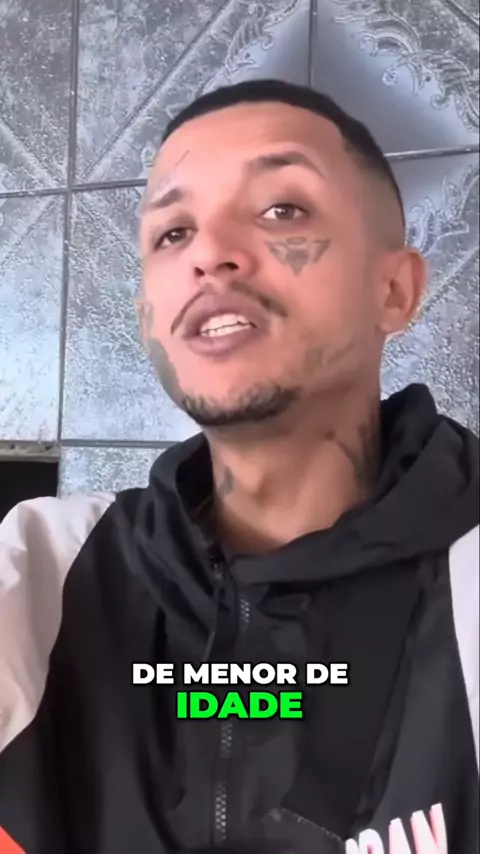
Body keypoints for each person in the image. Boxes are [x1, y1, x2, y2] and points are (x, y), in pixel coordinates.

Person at [0, 79, 478, 854]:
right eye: (172, 232)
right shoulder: (44, 570)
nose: (209, 254)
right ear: (148, 316)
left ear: (394, 289)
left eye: (282, 209)